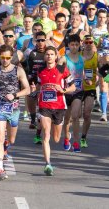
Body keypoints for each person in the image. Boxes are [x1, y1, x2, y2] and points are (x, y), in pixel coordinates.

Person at [0, 45, 30, 181]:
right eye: (2, 58)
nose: (5, 60)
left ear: (12, 57)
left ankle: (6, 145)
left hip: (14, 108)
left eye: (7, 58)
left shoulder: (19, 71)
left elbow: (27, 90)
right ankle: (0, 169)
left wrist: (14, 94)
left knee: (11, 139)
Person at [34, 46, 76, 176]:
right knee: (46, 135)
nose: (49, 56)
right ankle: (48, 164)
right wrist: (35, 91)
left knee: (56, 138)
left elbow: (73, 86)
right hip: (45, 106)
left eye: (52, 54)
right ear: (45, 56)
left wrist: (63, 90)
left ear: (56, 56)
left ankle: (67, 135)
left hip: (58, 106)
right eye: (47, 54)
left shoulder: (62, 69)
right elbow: (38, 86)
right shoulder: (40, 70)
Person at [59, 34, 84, 152]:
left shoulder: (82, 58)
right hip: (66, 92)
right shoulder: (63, 59)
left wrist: (88, 79)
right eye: (72, 44)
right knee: (67, 118)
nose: (74, 47)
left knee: (75, 116)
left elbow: (85, 73)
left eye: (76, 45)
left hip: (78, 91)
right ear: (68, 45)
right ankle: (66, 137)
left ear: (79, 45)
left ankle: (76, 142)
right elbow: (57, 74)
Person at [26, 31, 48, 138]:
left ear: (45, 40)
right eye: (38, 40)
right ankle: (33, 119)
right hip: (34, 80)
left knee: (41, 105)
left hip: (45, 82)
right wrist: (30, 82)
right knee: (31, 98)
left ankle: (40, 128)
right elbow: (27, 68)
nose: (40, 42)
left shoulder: (49, 52)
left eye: (42, 40)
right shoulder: (31, 53)